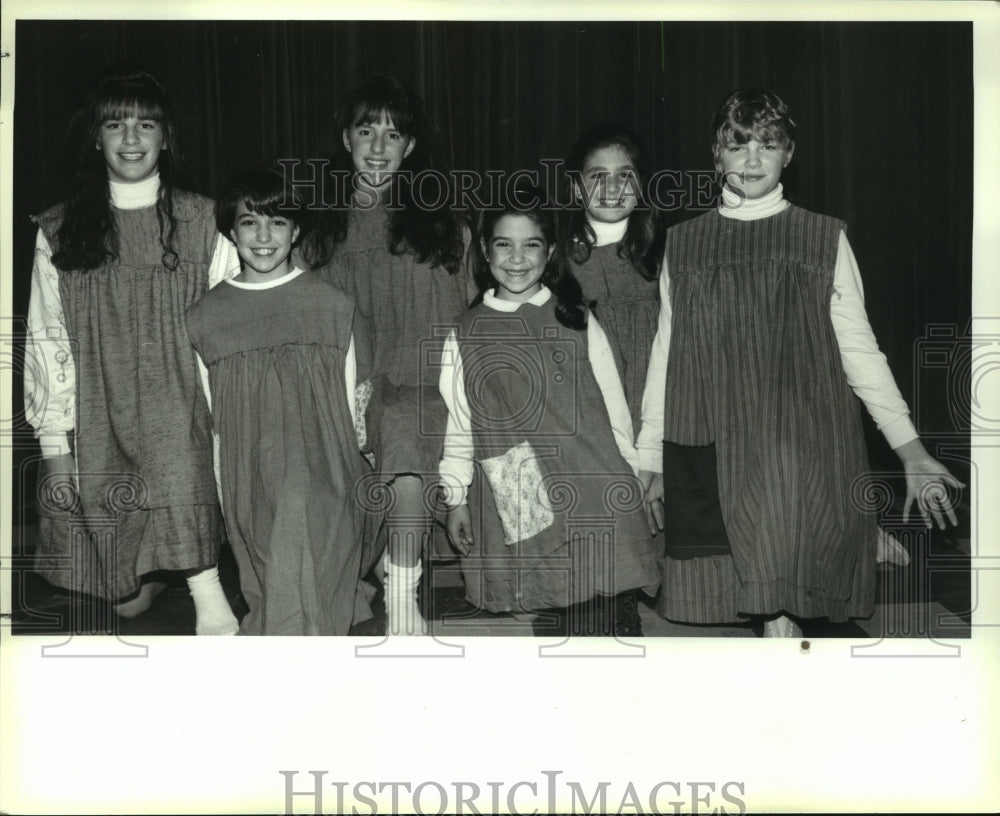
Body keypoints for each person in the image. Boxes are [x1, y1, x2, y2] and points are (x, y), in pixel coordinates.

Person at [637, 88, 963, 637]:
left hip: (799, 439)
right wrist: (650, 454)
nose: (753, 159)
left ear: (790, 153)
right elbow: (666, 352)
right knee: (754, 597)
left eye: (768, 144)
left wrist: (910, 450)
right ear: (716, 157)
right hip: (712, 435)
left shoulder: (821, 237)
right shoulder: (683, 245)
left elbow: (859, 348)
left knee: (781, 595)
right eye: (738, 146)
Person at [24, 68, 240, 634]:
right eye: (114, 124)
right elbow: (47, 342)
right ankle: (151, 573)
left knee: (176, 439)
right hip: (104, 408)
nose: (131, 138)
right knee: (127, 603)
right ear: (95, 137)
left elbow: (233, 324)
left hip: (182, 400)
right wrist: (55, 448)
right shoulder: (60, 229)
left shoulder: (203, 221)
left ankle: (207, 590)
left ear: (166, 137)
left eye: (146, 124)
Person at [440, 189, 660, 636]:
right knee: (557, 601)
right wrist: (455, 496)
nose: (517, 258)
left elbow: (613, 402)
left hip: (593, 473)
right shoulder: (465, 332)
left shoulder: (575, 317)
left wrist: (633, 468)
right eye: (504, 244)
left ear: (551, 251)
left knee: (613, 597)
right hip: (521, 480)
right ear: (484, 250)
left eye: (532, 245)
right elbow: (460, 423)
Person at [301, 75, 470, 635]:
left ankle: (402, 595)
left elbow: (469, 316)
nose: (378, 147)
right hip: (345, 388)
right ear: (345, 139)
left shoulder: (446, 224)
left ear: (411, 147)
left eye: (393, 135)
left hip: (423, 385)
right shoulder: (317, 229)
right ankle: (368, 565)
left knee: (403, 435)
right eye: (366, 131)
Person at [186, 169, 366, 635]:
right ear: (230, 231)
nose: (264, 236)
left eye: (278, 221)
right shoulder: (207, 315)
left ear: (297, 229)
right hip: (250, 472)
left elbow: (348, 398)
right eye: (249, 223)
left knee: (309, 551)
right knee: (274, 571)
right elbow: (210, 411)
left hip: (324, 465)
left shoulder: (329, 303)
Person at [562, 123, 663, 635]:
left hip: (655, 409)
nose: (611, 187)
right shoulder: (555, 260)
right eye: (597, 176)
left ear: (641, 184)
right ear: (577, 187)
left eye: (625, 175)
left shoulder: (666, 256)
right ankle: (605, 597)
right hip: (589, 419)